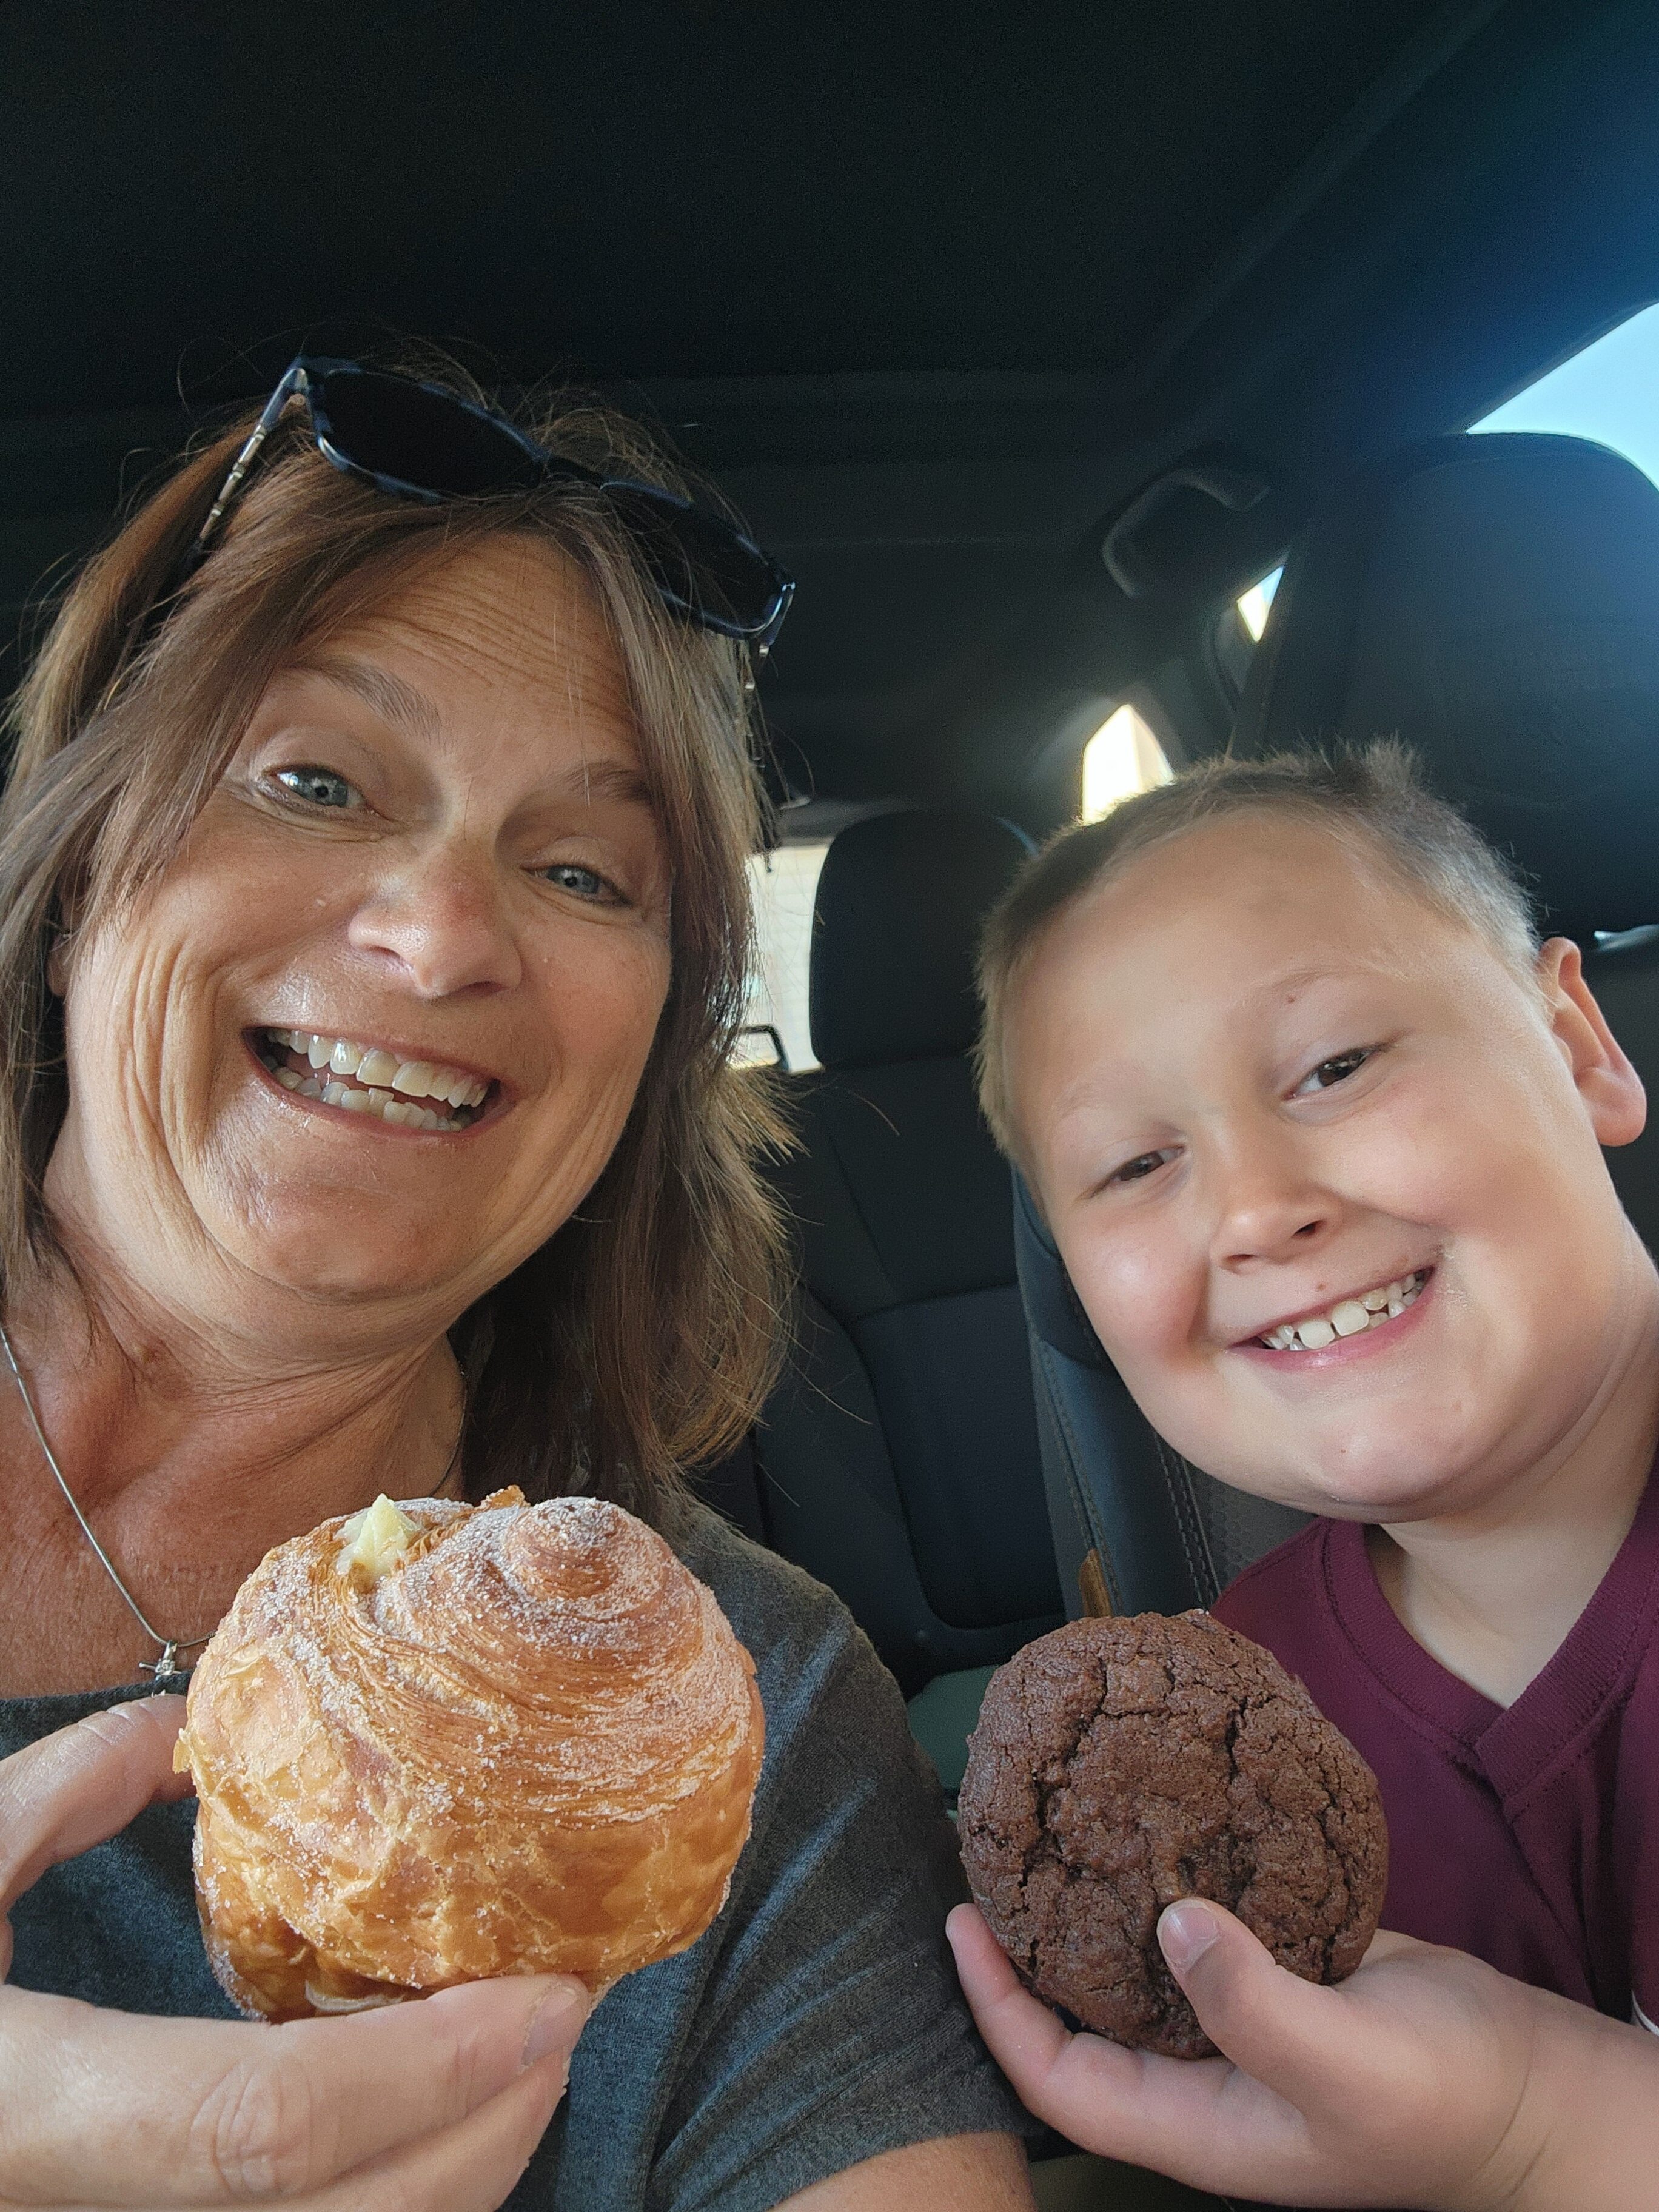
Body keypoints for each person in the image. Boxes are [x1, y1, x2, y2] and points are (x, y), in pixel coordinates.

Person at [0, 354, 1035, 2211]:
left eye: (580, 869)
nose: (440, 933)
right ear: (80, 866)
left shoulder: (732, 1729)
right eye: (315, 780)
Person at [949, 741, 1659, 2208]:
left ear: (1580, 1046)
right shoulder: (1223, 1723)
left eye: (1335, 1067)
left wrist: (1530, 2127)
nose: (1259, 1211)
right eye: (1137, 1167)